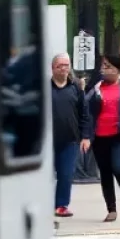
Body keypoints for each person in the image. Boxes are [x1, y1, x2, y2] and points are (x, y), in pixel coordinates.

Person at [86, 54, 120, 222]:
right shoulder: (95, 89)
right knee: (105, 173)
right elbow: (87, 114)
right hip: (100, 136)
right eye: (103, 66)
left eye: (109, 66)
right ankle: (111, 209)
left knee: (119, 168)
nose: (105, 69)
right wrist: (86, 136)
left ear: (118, 70)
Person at [51, 53, 90, 217]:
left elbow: (84, 114)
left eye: (66, 65)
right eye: (59, 65)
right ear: (53, 68)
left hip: (70, 140)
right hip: (48, 141)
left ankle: (61, 205)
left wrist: (86, 136)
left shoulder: (75, 87)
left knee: (66, 174)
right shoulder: (44, 87)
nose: (63, 69)